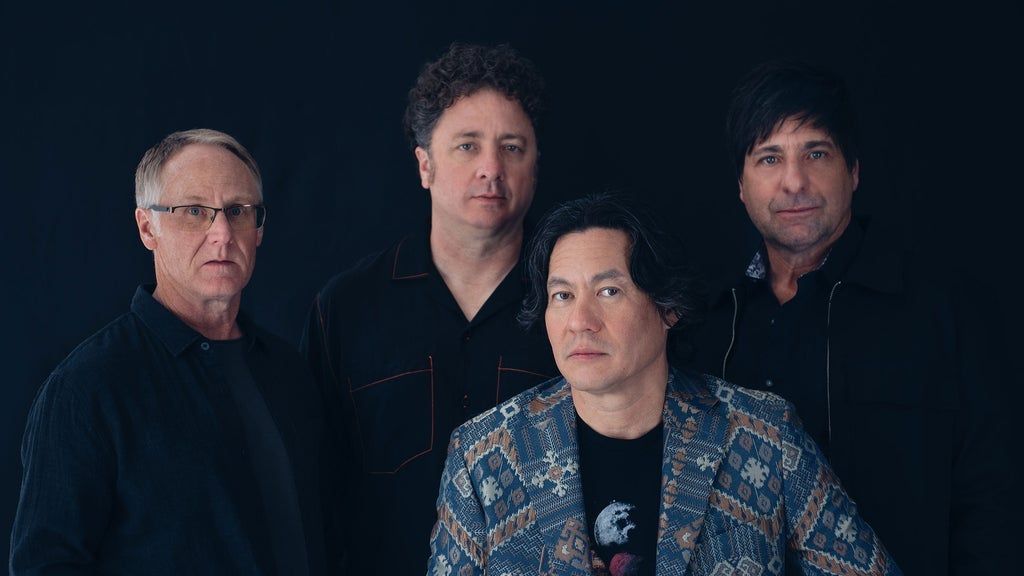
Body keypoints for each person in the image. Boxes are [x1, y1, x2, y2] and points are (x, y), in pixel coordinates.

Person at [429, 194, 899, 576]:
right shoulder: (483, 457)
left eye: (609, 291)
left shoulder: (766, 435)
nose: (580, 320)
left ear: (668, 308)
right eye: (562, 295)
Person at [686, 61, 1011, 574]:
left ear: (853, 171)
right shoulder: (706, 323)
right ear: (742, 186)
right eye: (770, 158)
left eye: (816, 153)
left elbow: (995, 498)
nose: (794, 181)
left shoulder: (940, 311)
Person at [10, 129, 330, 575]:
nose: (222, 234)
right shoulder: (87, 389)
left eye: (238, 211)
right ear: (148, 228)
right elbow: (46, 566)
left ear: (259, 229)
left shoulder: (287, 371)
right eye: (194, 211)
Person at [302, 43, 557, 573]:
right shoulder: (347, 308)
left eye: (512, 147)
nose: (491, 168)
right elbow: (313, 490)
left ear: (535, 165)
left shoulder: (576, 304)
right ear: (425, 166)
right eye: (467, 146)